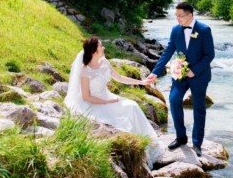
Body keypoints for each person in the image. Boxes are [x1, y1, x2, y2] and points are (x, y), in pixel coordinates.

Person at [64, 37, 164, 165]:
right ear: (95, 51)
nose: (104, 48)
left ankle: (147, 144)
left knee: (132, 106)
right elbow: (86, 97)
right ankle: (135, 150)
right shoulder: (85, 71)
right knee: (118, 121)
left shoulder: (104, 62)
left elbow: (119, 77)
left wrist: (142, 82)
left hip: (108, 97)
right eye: (101, 46)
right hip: (93, 103)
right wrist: (106, 102)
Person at [146, 1, 215, 157]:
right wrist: (155, 72)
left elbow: (210, 55)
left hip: (199, 76)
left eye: (180, 16)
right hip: (180, 74)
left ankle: (197, 143)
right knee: (174, 100)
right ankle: (181, 137)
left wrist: (194, 70)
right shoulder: (176, 30)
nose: (177, 19)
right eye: (176, 15)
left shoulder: (204, 30)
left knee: (198, 108)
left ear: (190, 15)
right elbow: (168, 51)